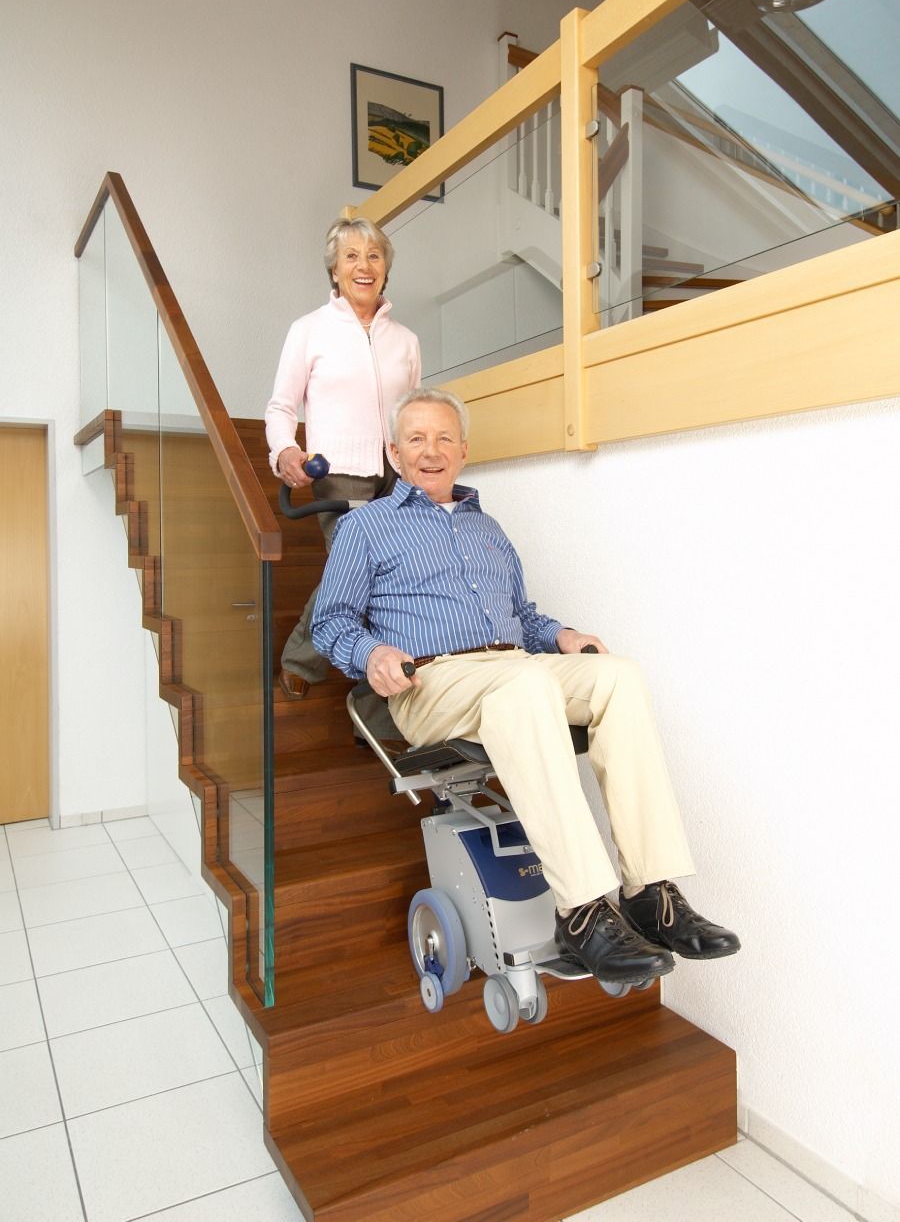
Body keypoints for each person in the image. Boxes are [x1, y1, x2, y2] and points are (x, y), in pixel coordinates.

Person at [311, 387, 740, 987]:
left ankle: (650, 892)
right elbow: (329, 621)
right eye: (415, 439)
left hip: (513, 665)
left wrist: (560, 634)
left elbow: (522, 616)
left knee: (618, 675)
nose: (430, 451)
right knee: (524, 685)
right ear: (393, 451)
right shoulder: (367, 528)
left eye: (443, 439)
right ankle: (584, 910)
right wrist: (370, 652)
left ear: (463, 450)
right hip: (433, 679)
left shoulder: (489, 528)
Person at [265, 216, 421, 698]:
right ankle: (305, 660)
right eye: (351, 256)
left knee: (394, 573)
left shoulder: (406, 341)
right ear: (334, 270)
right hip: (339, 476)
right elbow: (281, 406)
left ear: (386, 269)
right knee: (357, 569)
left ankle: (375, 686)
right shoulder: (309, 330)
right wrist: (285, 449)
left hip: (396, 475)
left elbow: (413, 413)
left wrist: (418, 468)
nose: (363, 266)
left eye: (374, 256)